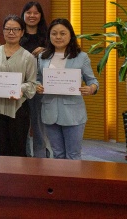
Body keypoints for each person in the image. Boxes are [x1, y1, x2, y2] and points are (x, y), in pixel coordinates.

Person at [36, 18, 99, 160]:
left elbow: (93, 81)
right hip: (50, 111)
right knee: (57, 154)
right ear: (49, 36)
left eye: (62, 33)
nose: (58, 37)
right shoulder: (43, 57)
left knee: (73, 155)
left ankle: (73, 176)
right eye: (54, 33)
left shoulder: (81, 57)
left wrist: (91, 88)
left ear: (70, 35)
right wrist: (37, 86)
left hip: (73, 113)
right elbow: (37, 78)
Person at [0, 15, 37, 157]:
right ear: (3, 31)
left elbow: (32, 83)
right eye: (7, 29)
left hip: (18, 108)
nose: (11, 32)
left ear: (22, 32)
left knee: (18, 150)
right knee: (2, 149)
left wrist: (20, 89)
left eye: (15, 29)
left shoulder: (28, 57)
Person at [20, 1, 49, 158]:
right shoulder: (17, 34)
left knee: (39, 124)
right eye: (28, 12)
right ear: (23, 14)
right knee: (22, 124)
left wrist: (46, 50)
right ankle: (24, 156)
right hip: (20, 83)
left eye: (36, 13)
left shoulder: (48, 36)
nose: (32, 16)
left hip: (40, 85)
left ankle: (41, 157)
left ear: (40, 15)